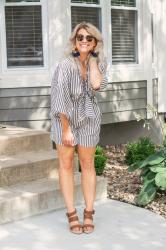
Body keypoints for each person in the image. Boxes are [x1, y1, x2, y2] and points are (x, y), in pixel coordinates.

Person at [50, 22, 108, 234]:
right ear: (74, 41)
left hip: (89, 118)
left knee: (88, 163)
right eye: (80, 37)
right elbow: (59, 99)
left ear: (95, 43)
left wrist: (92, 62)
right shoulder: (64, 65)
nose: (84, 40)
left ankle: (89, 212)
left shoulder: (99, 63)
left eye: (88, 38)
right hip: (64, 118)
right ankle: (72, 213)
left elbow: (97, 86)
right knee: (66, 164)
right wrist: (66, 129)